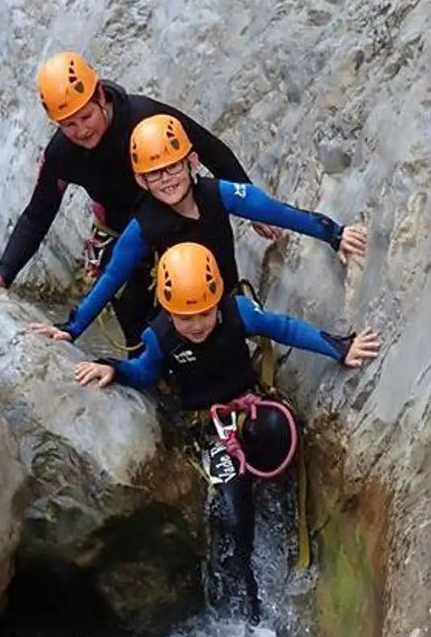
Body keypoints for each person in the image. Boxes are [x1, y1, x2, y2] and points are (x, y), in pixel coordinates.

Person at [73, 242, 380, 623]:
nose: (197, 325)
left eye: (204, 312)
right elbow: (144, 372)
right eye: (185, 317)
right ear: (168, 310)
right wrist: (114, 368)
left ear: (217, 299)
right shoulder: (160, 336)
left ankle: (275, 496)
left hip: (249, 408)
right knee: (234, 511)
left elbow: (284, 328)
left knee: (279, 430)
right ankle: (243, 595)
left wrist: (340, 347)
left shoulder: (238, 312)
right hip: (209, 426)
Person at [0, 51, 279, 347]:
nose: (81, 131)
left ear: (100, 96)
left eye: (86, 116)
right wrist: (4, 273)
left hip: (181, 220)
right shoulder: (62, 154)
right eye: (69, 124)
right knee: (136, 320)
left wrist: (254, 208)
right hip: (124, 234)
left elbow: (211, 150)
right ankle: (149, 377)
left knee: (212, 305)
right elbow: (38, 213)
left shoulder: (145, 117)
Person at [32, 113, 367, 343]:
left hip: (223, 306)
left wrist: (335, 235)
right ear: (141, 180)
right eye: (155, 173)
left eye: (172, 167)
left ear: (191, 162)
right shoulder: (143, 226)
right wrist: (72, 328)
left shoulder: (219, 194)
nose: (166, 179)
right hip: (176, 320)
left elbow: (280, 213)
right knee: (146, 335)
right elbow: (111, 279)